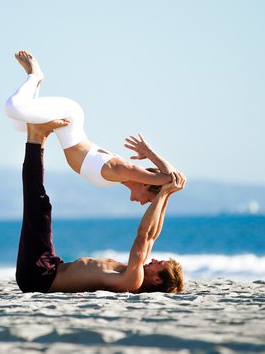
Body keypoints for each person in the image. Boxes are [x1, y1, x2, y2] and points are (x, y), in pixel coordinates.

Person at [16, 120, 185, 293]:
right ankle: (39, 137)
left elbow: (143, 236)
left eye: (159, 264)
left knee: (37, 204)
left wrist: (164, 193)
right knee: (41, 205)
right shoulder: (135, 271)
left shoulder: (133, 280)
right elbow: (152, 236)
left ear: (157, 280)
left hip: (39, 277)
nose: (155, 260)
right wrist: (167, 194)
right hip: (50, 266)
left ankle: (35, 139)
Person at [5, 50, 175, 205]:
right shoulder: (122, 169)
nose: (145, 203)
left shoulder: (119, 177)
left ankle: (36, 84)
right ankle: (34, 75)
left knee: (19, 125)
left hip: (64, 123)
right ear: (147, 184)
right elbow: (171, 177)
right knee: (13, 108)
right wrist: (150, 153)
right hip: (69, 114)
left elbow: (169, 179)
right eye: (151, 199)